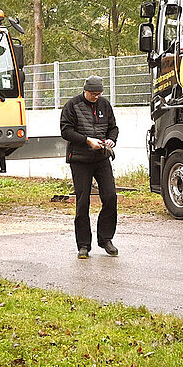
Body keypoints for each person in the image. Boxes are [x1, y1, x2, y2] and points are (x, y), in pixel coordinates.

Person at [60, 75, 120, 259]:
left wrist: (111, 140)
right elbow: (66, 131)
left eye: (99, 94)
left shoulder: (104, 105)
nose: (96, 97)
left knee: (110, 197)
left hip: (101, 158)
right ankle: (84, 245)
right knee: (83, 202)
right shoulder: (72, 105)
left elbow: (113, 127)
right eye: (93, 94)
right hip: (80, 160)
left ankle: (106, 239)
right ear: (85, 90)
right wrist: (87, 140)